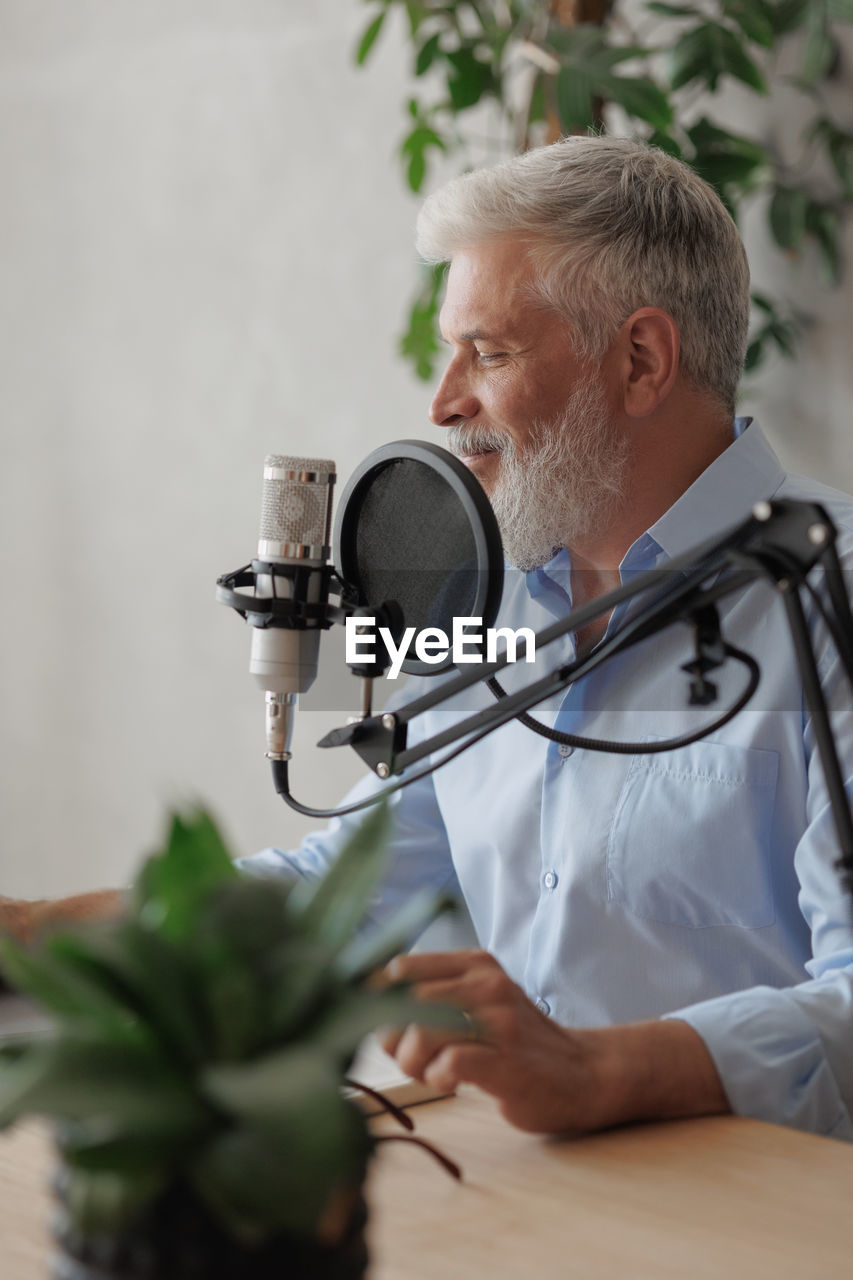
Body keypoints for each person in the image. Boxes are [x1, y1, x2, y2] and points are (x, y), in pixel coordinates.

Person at [4, 136, 853, 1141]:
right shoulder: (483, 608)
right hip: (529, 1198)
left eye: (487, 351)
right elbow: (338, 891)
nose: (442, 402)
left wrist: (600, 1069)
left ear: (640, 359)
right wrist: (28, 934)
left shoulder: (826, 594)